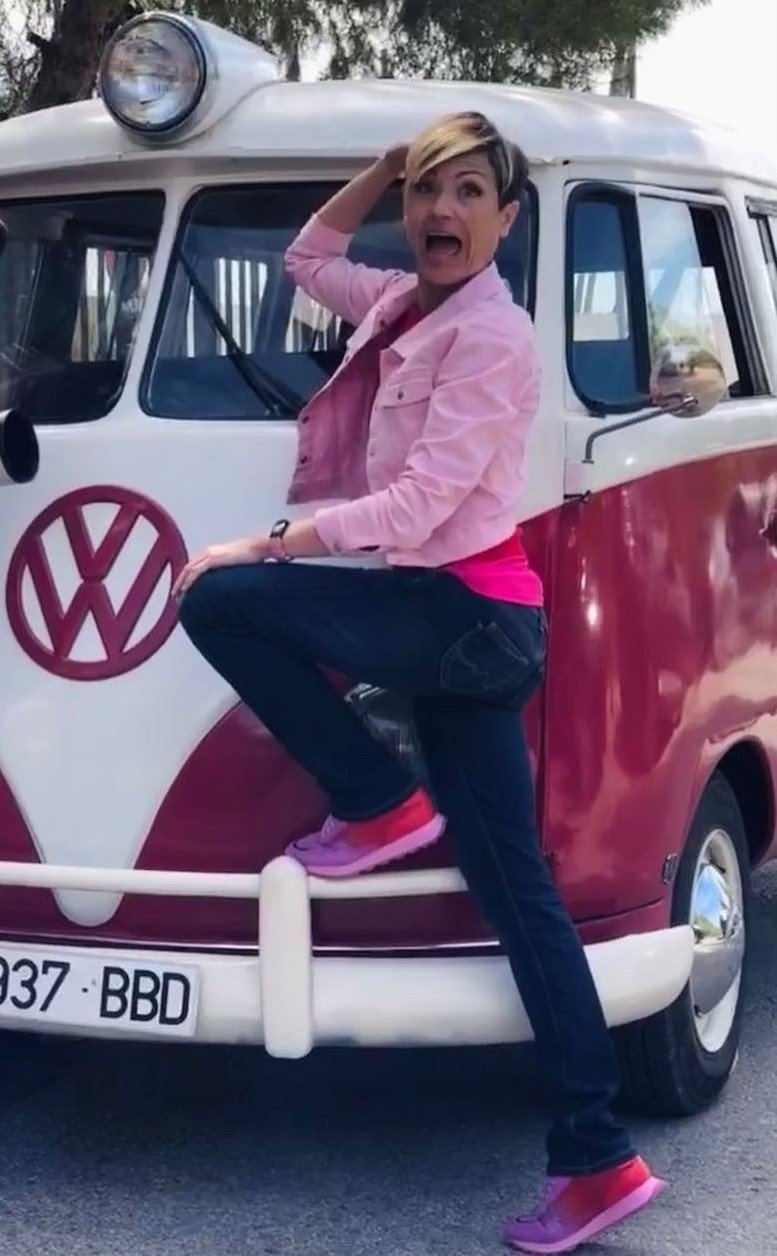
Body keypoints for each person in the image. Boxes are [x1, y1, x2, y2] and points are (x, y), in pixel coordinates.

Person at [175, 112, 665, 1253]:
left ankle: (376, 800)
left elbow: (419, 510)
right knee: (518, 895)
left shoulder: (492, 338)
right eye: (426, 192)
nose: (441, 211)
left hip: (465, 617)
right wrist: (381, 167)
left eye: (468, 192)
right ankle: (599, 1157)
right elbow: (307, 260)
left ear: (505, 218)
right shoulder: (400, 301)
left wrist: (263, 543)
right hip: (452, 621)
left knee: (220, 599)